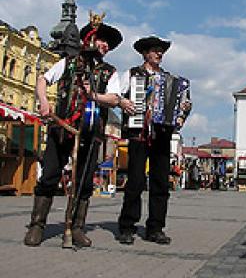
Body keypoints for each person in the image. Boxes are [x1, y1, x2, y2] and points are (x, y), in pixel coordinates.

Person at [24, 16, 123, 247]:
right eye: (102, 40)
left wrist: (94, 96)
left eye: (108, 44)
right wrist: (44, 102)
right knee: (49, 177)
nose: (105, 46)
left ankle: (76, 227)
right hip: (62, 129)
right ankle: (37, 226)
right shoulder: (69, 62)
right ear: (90, 39)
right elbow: (42, 79)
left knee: (84, 184)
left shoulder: (110, 72)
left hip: (90, 134)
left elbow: (115, 99)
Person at [117, 35, 191, 245]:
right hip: (138, 133)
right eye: (155, 50)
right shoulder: (133, 75)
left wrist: (181, 113)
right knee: (136, 181)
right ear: (145, 53)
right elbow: (116, 96)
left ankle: (156, 228)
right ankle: (127, 227)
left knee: (160, 183)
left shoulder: (172, 80)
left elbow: (185, 103)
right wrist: (124, 102)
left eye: (161, 51)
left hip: (162, 136)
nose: (159, 53)